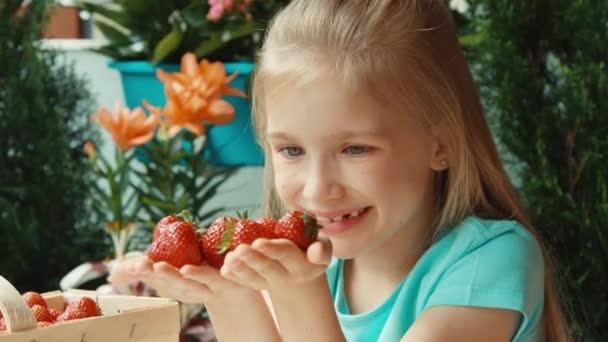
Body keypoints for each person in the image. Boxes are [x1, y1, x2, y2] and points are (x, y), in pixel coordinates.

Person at [110, 1, 569, 341]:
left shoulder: (490, 264)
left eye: (355, 149)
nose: (318, 189)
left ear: (442, 142)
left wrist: (300, 295)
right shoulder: (307, 263)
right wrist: (226, 295)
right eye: (291, 150)